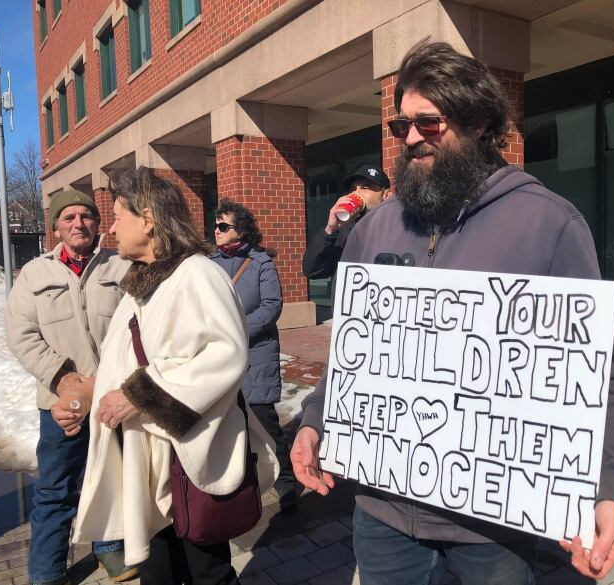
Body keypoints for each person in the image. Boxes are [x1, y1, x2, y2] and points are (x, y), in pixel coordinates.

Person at [291, 41, 614, 585]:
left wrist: (609, 487)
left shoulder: (547, 224)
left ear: (480, 122)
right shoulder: (377, 228)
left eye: (428, 124)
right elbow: (352, 354)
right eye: (401, 126)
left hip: (493, 532)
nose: (411, 138)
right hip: (382, 517)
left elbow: (612, 371)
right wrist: (316, 421)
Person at [59, 168, 277, 585]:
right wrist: (86, 397)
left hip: (184, 456)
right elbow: (120, 359)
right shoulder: (144, 282)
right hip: (147, 455)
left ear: (148, 219)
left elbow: (225, 354)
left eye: (118, 215)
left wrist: (138, 396)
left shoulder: (198, 274)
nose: (110, 228)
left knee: (205, 571)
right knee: (160, 572)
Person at [5, 189, 136, 585]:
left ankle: (111, 549)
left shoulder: (122, 266)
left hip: (115, 395)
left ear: (97, 223)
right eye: (69, 217)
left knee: (116, 477)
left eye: (86, 216)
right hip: (62, 404)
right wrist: (62, 379)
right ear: (56, 227)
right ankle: (47, 570)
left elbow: (139, 326)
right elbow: (21, 334)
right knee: (55, 489)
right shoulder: (35, 273)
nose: (78, 223)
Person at [210, 199, 297, 510]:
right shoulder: (208, 264)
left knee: (264, 422)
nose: (216, 230)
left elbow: (271, 306)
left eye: (223, 226)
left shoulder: (261, 263)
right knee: (230, 428)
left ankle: (286, 485)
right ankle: (242, 489)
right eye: (215, 225)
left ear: (240, 230)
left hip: (255, 354)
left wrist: (238, 329)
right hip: (219, 357)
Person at [302, 164, 392, 279]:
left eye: (365, 187)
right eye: (353, 189)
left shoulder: (397, 228)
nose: (356, 193)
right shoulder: (345, 230)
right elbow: (312, 271)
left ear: (386, 195)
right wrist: (330, 230)